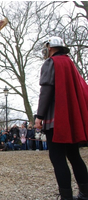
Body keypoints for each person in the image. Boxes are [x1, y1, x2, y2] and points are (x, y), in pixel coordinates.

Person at [35, 36, 88, 200]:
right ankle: (86, 193)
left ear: (50, 47)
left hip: (55, 118)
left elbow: (46, 91)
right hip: (70, 117)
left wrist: (39, 116)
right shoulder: (69, 63)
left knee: (57, 157)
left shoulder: (51, 63)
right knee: (74, 155)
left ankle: (66, 197)